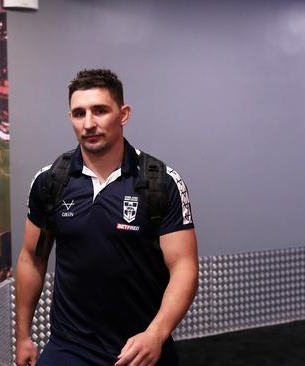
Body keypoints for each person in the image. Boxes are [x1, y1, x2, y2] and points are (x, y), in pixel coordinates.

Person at [14, 69, 198, 366]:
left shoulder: (161, 183)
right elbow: (31, 259)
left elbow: (184, 267)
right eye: (78, 113)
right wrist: (22, 337)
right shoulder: (50, 182)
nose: (88, 124)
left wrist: (156, 333)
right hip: (68, 347)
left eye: (100, 111)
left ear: (123, 114)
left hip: (138, 348)